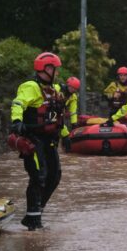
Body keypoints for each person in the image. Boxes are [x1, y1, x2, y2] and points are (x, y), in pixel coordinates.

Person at [10, 52, 64, 231]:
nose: (57, 72)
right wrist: (17, 121)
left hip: (49, 140)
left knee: (54, 176)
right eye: (54, 69)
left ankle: (36, 212)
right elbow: (18, 103)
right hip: (34, 138)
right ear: (46, 69)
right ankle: (33, 221)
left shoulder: (54, 89)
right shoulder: (30, 86)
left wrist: (65, 134)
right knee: (38, 176)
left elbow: (57, 116)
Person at [57, 76, 80, 153]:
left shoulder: (73, 97)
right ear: (68, 85)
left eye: (75, 89)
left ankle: (66, 152)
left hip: (58, 116)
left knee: (65, 135)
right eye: (72, 87)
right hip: (50, 114)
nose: (73, 90)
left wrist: (74, 124)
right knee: (64, 134)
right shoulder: (56, 88)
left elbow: (73, 111)